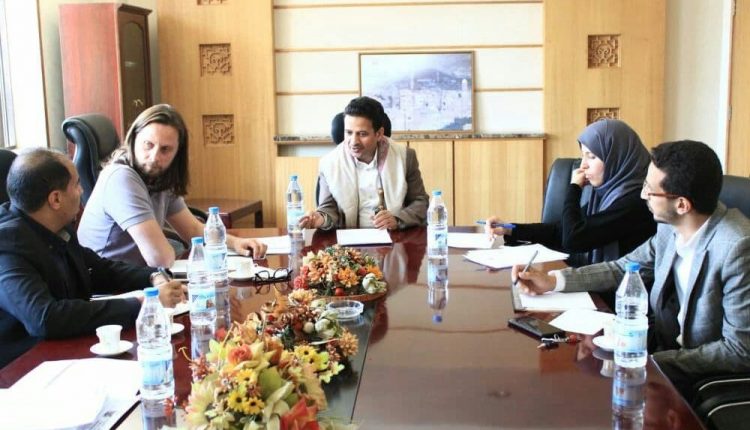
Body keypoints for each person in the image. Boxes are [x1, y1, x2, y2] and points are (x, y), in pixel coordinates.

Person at [514, 140, 750, 401]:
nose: (642, 195)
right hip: (660, 352)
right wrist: (552, 281)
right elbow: (621, 268)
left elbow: (739, 350)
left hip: (704, 377)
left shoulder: (737, 247)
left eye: (650, 190)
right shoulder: (670, 227)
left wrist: (647, 361)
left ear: (682, 205)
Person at [0, 149, 185, 368]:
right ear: (56, 199)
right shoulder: (7, 245)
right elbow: (46, 318)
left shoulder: (56, 227)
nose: (82, 191)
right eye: (77, 184)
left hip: (66, 349)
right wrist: (141, 304)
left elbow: (101, 270)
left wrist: (153, 277)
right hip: (23, 367)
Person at [77, 104, 267, 267]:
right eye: (148, 145)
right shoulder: (121, 178)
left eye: (165, 149)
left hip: (137, 279)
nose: (154, 157)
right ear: (134, 139)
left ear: (177, 153)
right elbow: (160, 258)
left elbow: (192, 229)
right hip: (109, 287)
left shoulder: (159, 176)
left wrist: (235, 243)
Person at [485, 119, 656, 266]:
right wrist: (509, 229)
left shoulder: (636, 201)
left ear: (617, 157)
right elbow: (559, 231)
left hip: (622, 291)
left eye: (591, 156)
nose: (583, 165)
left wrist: (574, 188)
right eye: (583, 156)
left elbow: (573, 238)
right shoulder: (605, 193)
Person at [298, 96, 429, 230]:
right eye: (349, 133)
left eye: (362, 134)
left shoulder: (405, 156)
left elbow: (420, 202)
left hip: (393, 236)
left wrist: (397, 219)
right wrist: (321, 219)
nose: (353, 141)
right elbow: (328, 208)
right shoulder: (328, 163)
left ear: (379, 134)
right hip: (349, 238)